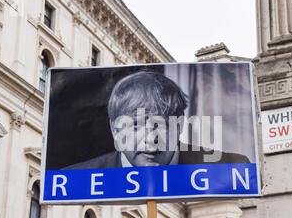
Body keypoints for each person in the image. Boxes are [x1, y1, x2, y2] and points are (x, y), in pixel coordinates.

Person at [66, 71, 249, 169]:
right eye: (136, 125)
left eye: (161, 124)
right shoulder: (74, 178)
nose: (150, 139)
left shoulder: (233, 168)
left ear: (180, 124)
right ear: (115, 130)